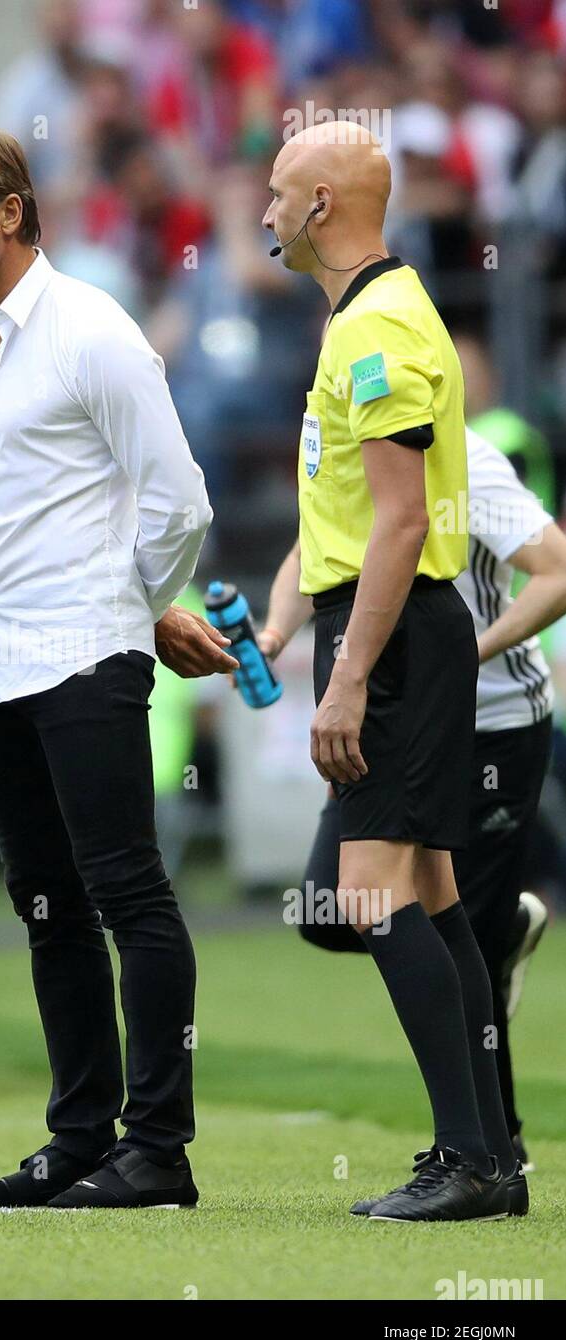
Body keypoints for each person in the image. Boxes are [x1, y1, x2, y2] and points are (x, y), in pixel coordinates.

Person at [0, 129, 235, 1209]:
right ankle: (78, 1136)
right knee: (45, 903)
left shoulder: (92, 329)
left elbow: (179, 498)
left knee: (125, 889)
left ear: (10, 211)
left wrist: (130, 609)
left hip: (85, 652)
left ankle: (158, 1149)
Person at [262, 119, 527, 1221]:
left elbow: (398, 519)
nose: (266, 208)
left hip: (392, 631)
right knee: (430, 893)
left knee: (367, 895)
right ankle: (486, 1156)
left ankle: (466, 1158)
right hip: (403, 630)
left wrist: (344, 675)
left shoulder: (371, 327)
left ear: (323, 202)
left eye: (279, 190)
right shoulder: (376, 313)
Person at [261, 426, 566, 1175]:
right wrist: (272, 632)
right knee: (329, 908)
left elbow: (555, 571)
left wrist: (462, 656)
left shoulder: (468, 465)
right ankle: (480, 1143)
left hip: (492, 725)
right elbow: (312, 551)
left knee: (457, 931)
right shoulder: (345, 446)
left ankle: (493, 1152)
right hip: (393, 713)